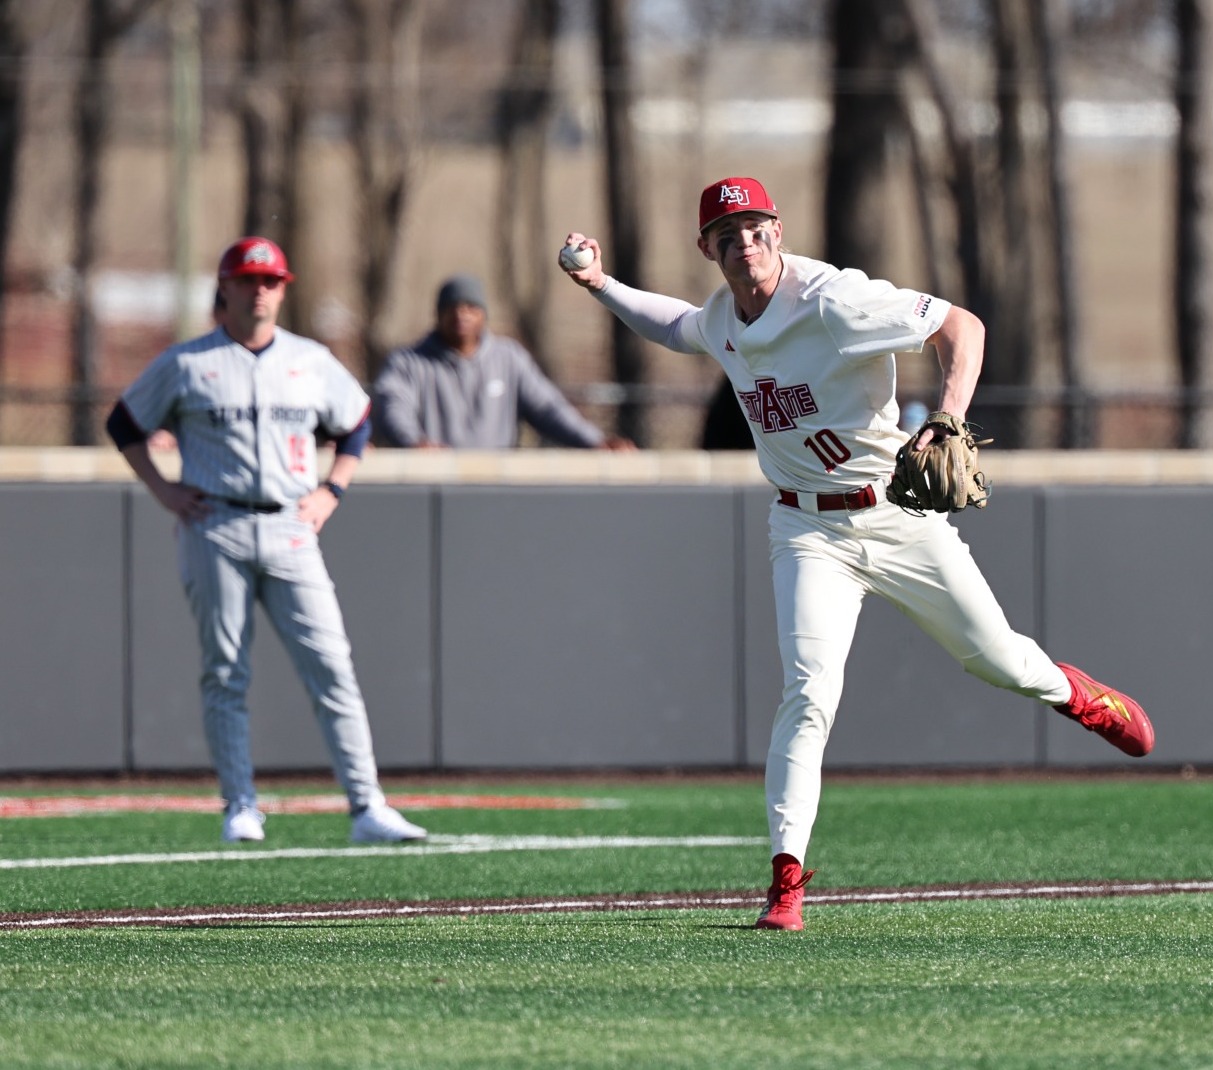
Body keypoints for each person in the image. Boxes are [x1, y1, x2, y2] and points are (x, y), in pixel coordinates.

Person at [560, 177, 1155, 932]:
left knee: (998, 660)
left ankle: (1080, 697)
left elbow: (961, 326)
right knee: (808, 695)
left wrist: (946, 417)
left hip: (896, 514)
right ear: (706, 249)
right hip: (807, 531)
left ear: (778, 231)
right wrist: (600, 283)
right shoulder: (722, 318)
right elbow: (675, 324)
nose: (745, 245)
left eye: (756, 229)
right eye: (728, 235)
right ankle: (786, 881)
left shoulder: (835, 302)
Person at [105, 236, 427, 845]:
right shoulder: (187, 362)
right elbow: (124, 423)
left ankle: (367, 807)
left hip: (290, 524)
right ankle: (241, 805)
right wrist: (163, 490)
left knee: (333, 665)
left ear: (284, 288)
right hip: (215, 525)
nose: (261, 290)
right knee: (225, 669)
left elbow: (357, 423)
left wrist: (333, 489)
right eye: (249, 279)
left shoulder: (311, 359)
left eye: (271, 280)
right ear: (223, 288)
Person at [374, 274, 635, 450]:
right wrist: (414, 443)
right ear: (438, 314)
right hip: (434, 485)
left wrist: (595, 442)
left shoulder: (508, 359)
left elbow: (548, 408)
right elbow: (394, 405)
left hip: (493, 487)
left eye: (470, 307)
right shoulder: (408, 363)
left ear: (483, 314)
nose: (461, 314)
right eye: (452, 307)